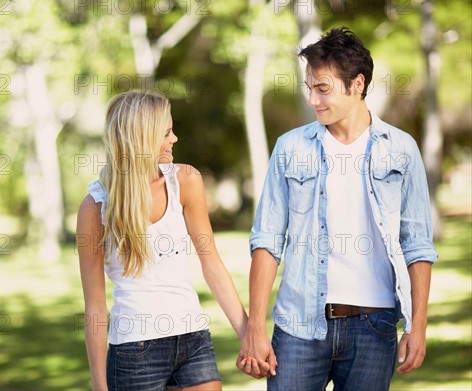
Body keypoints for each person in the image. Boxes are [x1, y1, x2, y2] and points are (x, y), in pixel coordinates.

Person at [237, 27, 437, 390]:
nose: (313, 100)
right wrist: (255, 327)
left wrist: (417, 325)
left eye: (323, 89)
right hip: (298, 327)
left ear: (357, 84)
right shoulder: (290, 148)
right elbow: (266, 240)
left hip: (374, 328)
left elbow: (418, 244)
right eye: (309, 89)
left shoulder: (402, 150)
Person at [77, 90, 249, 390]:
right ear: (142, 138)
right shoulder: (96, 207)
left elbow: (212, 264)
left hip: (192, 336)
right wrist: (98, 384)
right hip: (134, 350)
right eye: (166, 132)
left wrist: (248, 334)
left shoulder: (185, 180)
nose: (175, 139)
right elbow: (94, 307)